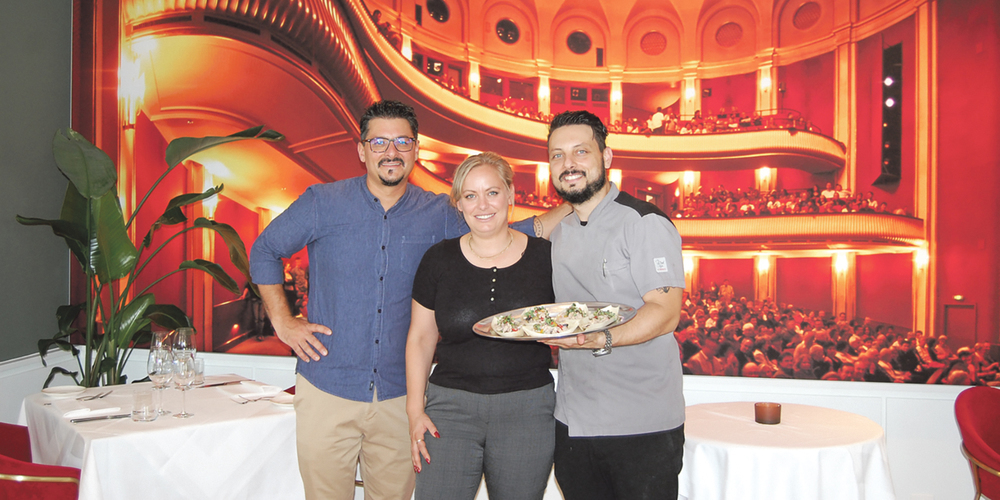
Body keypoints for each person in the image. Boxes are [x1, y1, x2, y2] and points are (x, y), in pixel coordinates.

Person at [249, 100, 566, 500]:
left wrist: (577, 201)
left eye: (402, 141)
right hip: (327, 386)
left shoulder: (439, 212)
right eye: (379, 142)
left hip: (401, 399)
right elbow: (264, 250)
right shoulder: (321, 203)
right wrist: (282, 319)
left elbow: (501, 226)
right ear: (362, 150)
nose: (391, 151)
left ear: (416, 150)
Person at [541, 110, 686, 500]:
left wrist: (599, 339)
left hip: (643, 425)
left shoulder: (645, 222)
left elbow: (666, 312)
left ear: (606, 157)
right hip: (573, 421)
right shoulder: (558, 233)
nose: (568, 164)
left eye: (580, 152)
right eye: (557, 155)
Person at [405, 152, 556, 500]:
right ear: (459, 204)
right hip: (449, 410)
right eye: (470, 195)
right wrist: (415, 411)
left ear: (511, 195)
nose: (482, 204)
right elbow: (420, 337)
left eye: (492, 192)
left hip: (528, 409)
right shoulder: (437, 259)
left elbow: (567, 322)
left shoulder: (545, 257)